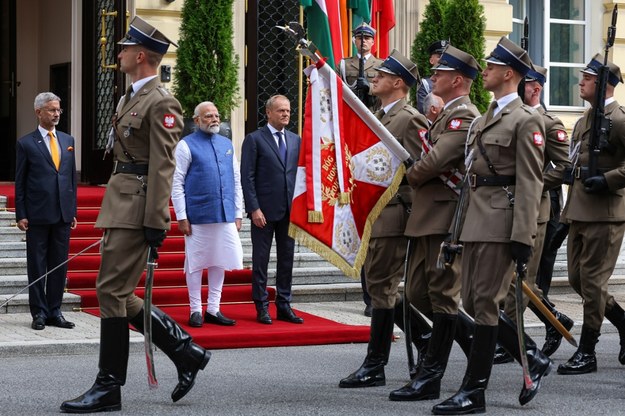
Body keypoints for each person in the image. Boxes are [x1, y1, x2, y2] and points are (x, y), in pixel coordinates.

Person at [60, 17, 210, 413]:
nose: (120, 52)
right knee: (117, 292)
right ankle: (185, 351)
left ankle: (109, 385)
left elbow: (164, 165)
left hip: (137, 206)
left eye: (125, 48)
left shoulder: (161, 101)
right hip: (121, 203)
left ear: (141, 55)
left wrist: (155, 218)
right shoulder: (130, 97)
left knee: (111, 291)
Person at [432, 37, 549, 415]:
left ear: (509, 73)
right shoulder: (484, 118)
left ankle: (474, 390)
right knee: (471, 300)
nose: (485, 71)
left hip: (502, 222)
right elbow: (470, 179)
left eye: (492, 67)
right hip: (476, 221)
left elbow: (531, 182)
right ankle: (530, 355)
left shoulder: (526, 120)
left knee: (484, 304)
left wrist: (523, 236)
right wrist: (456, 231)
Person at [388, 45, 481, 402]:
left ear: (457, 80)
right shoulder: (444, 116)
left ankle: (431, 376)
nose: (433, 77)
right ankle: (479, 342)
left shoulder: (464, 115)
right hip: (428, 214)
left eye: (440, 73)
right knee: (415, 294)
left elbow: (435, 161)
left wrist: (406, 174)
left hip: (444, 216)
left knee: (442, 296)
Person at [338, 49, 430, 389]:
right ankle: (425, 340)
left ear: (398, 83)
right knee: (379, 287)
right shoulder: (380, 115)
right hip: (377, 214)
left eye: (383, 74)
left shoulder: (409, 119)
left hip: (395, 214)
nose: (373, 76)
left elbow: (422, 170)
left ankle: (376, 363)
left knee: (382, 288)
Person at [498, 65, 573, 361]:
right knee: (511, 278)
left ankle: (513, 341)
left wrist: (535, 183)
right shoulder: (508, 116)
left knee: (521, 277)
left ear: (536, 89)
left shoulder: (548, 123)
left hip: (536, 211)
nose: (519, 89)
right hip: (505, 206)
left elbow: (565, 167)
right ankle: (554, 319)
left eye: (525, 84)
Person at [557, 54, 625, 375]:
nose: (580, 82)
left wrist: (608, 180)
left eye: (586, 77)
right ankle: (623, 322)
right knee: (577, 279)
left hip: (606, 212)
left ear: (602, 84)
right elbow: (573, 164)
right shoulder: (586, 119)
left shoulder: (620, 119)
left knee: (594, 283)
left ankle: (588, 351)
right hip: (580, 211)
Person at [171, 101, 243, 328]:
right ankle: (195, 310)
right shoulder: (185, 145)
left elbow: (236, 180)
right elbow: (176, 183)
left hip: (224, 213)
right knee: (196, 262)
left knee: (220, 260)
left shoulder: (227, 144)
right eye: (208, 116)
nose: (214, 119)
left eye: (216, 115)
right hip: (198, 215)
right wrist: (181, 216)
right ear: (197, 120)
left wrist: (238, 212)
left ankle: (213, 308)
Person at [15, 92, 77, 331]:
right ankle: (39, 312)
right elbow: (20, 181)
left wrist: (72, 210)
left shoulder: (67, 139)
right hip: (37, 214)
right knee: (38, 266)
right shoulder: (26, 143)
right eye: (52, 110)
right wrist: (21, 213)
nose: (57, 113)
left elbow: (70, 179)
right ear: (38, 112)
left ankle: (55, 311)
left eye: (58, 109)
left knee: (59, 266)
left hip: (62, 214)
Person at [241, 95, 303, 325]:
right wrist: (254, 208)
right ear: (268, 113)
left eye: (287, 110)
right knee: (261, 260)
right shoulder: (254, 139)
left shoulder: (296, 140)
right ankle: (262, 306)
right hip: (263, 213)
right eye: (280, 111)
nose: (286, 114)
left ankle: (284, 305)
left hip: (289, 211)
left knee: (286, 259)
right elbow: (247, 178)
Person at [338, 22, 383, 112]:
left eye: (367, 38)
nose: (363, 41)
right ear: (355, 41)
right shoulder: (344, 64)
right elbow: (336, 86)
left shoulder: (381, 65)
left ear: (373, 42)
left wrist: (369, 87)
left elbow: (387, 90)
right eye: (360, 38)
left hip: (373, 112)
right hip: (350, 110)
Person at [416, 40, 449, 115]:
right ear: (431, 60)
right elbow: (423, 110)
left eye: (446, 56)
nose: (443, 59)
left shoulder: (454, 81)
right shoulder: (426, 84)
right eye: (439, 56)